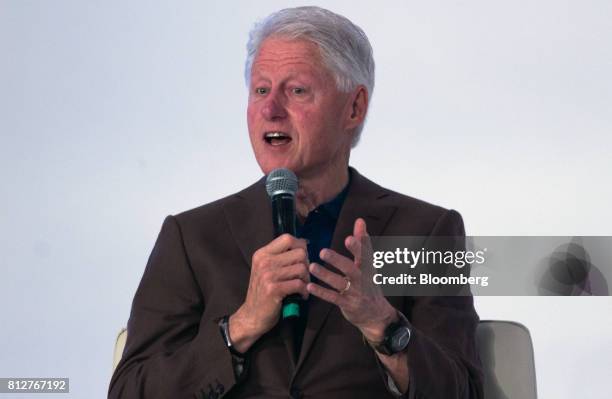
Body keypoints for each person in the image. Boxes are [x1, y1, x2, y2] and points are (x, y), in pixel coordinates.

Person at [108, 6, 483, 399]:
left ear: (353, 107)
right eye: (261, 90)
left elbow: (466, 392)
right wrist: (240, 327)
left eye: (297, 91)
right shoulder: (191, 238)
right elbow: (130, 392)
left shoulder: (426, 233)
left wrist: (383, 324)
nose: (270, 109)